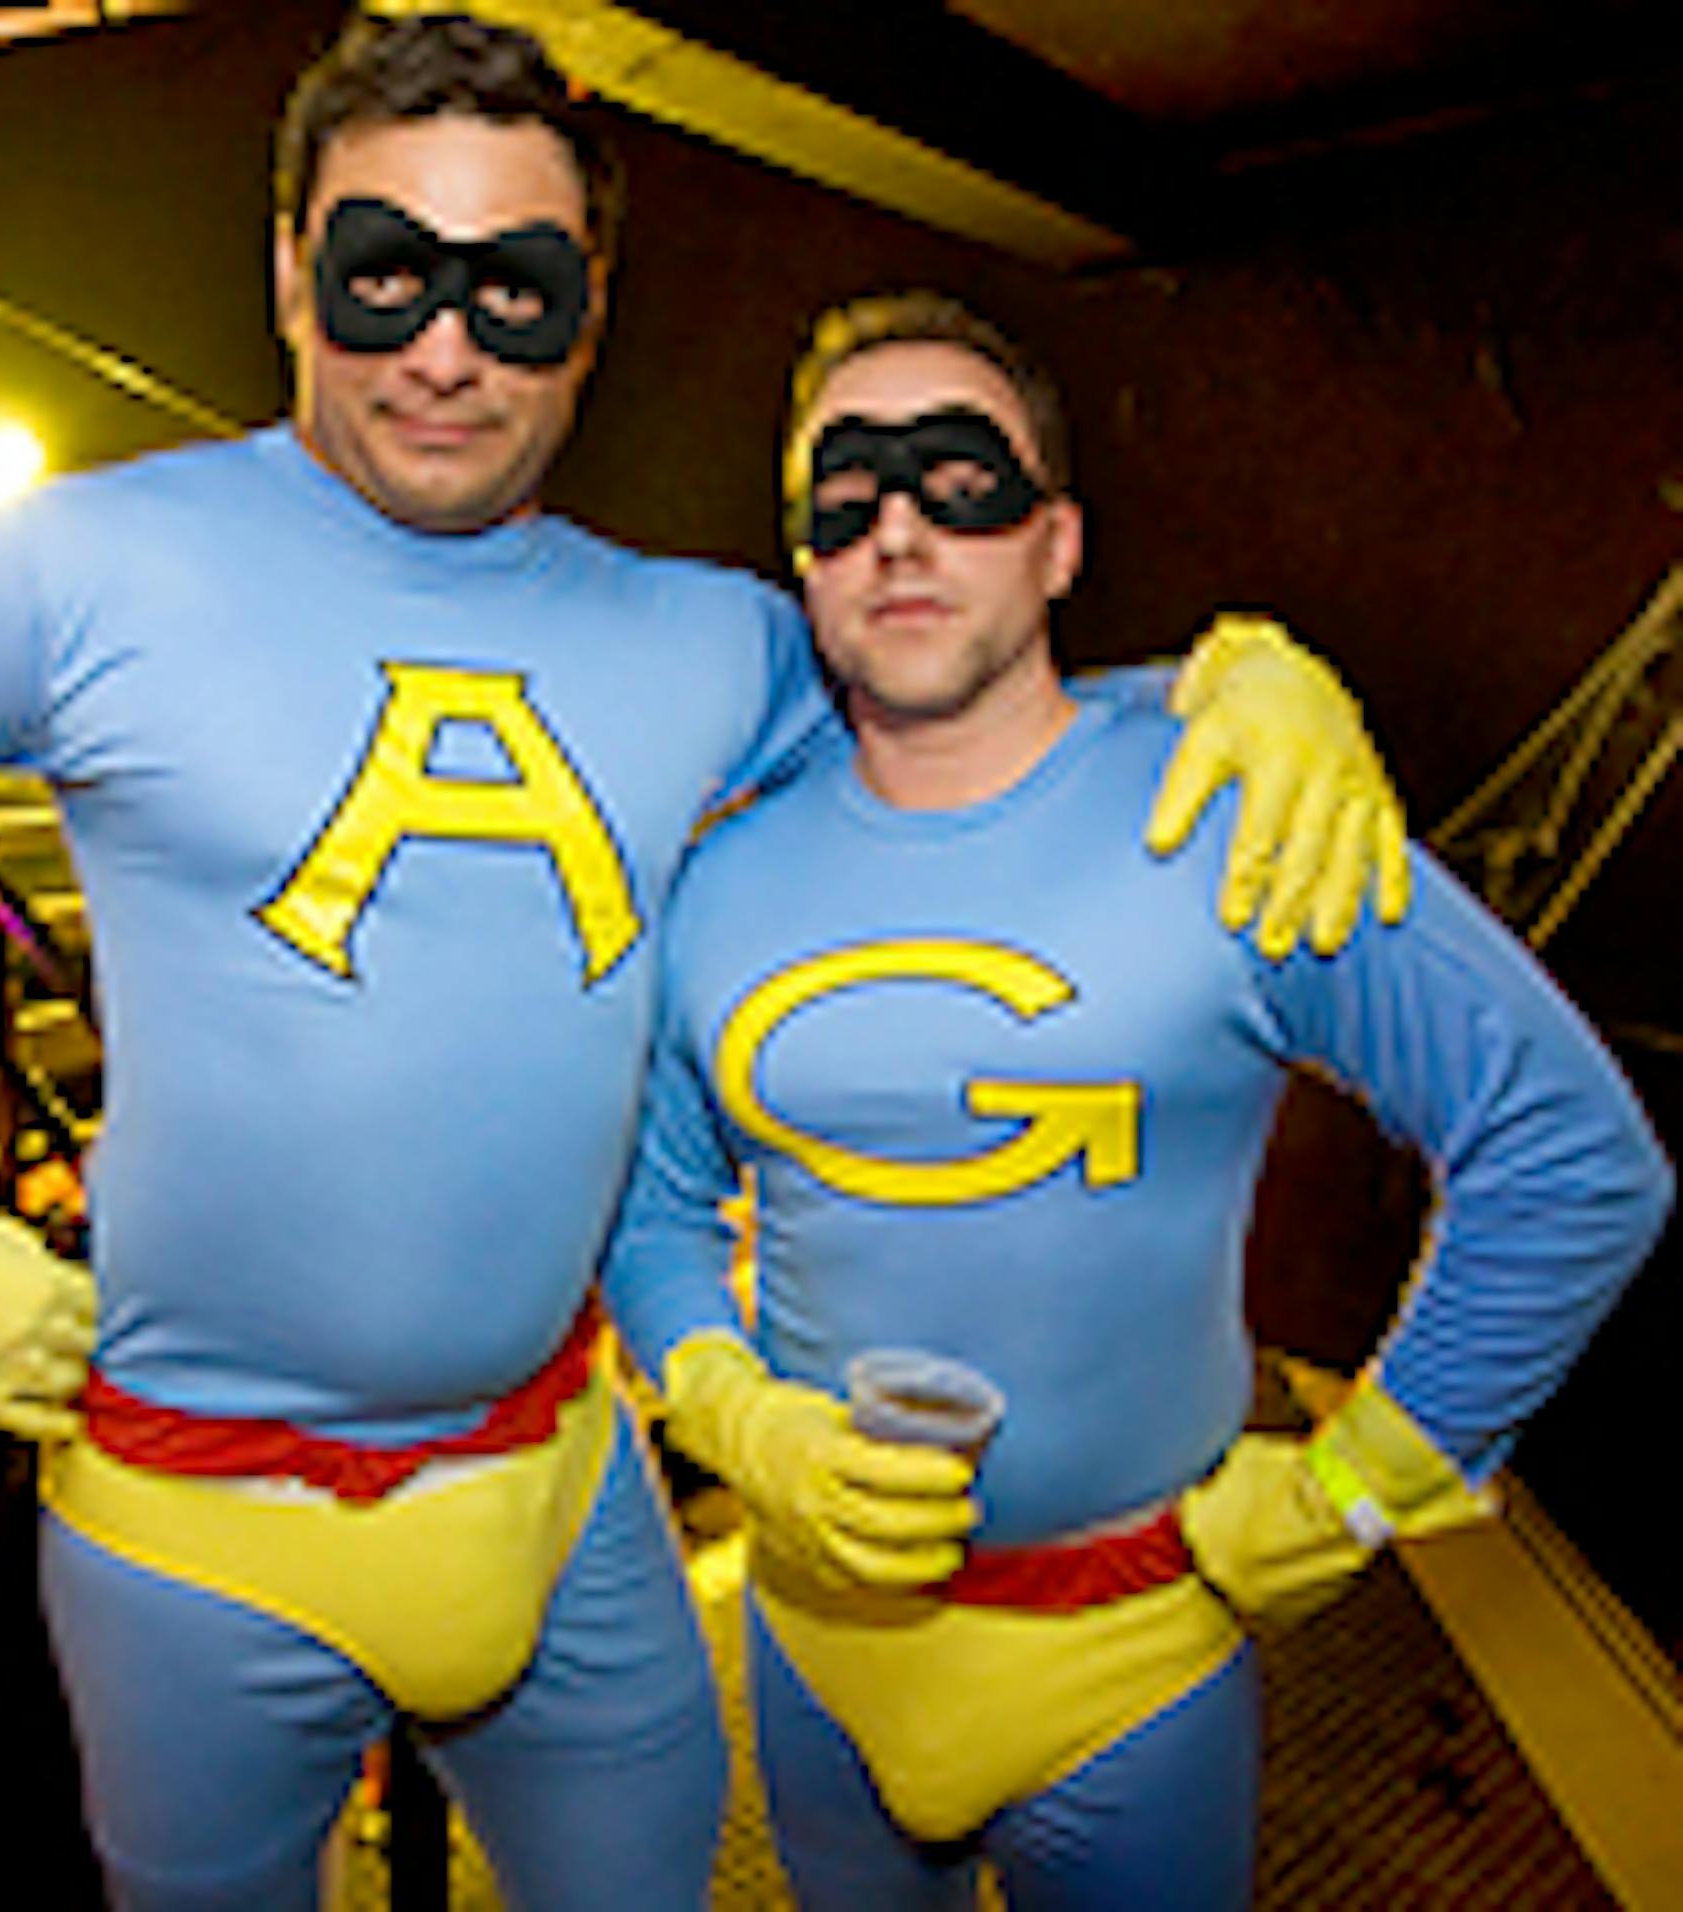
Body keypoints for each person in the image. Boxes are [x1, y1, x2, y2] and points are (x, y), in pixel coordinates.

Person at [0, 19, 1409, 1910]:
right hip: (199, 1540)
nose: (446, 351)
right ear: (290, 270)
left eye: (512, 291)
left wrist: (1227, 680)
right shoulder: (80, 570)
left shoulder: (711, 640)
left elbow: (972, 717)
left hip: (563, 1503)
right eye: (389, 274)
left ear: (588, 316)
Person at [599, 290, 1674, 1910]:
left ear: (1058, 543)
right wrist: (727, 1407)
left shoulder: (1243, 809)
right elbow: (655, 1200)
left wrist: (1360, 1484)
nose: (899, 530)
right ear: (804, 562)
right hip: (813, 1652)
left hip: (1127, 1671)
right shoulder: (721, 870)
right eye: (847, 492)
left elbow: (1569, 1155)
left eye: (961, 478)